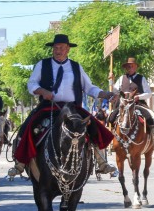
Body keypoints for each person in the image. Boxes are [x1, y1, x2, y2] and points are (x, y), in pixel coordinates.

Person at [13, 33, 116, 174]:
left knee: (94, 126)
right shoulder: (42, 65)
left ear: (68, 49)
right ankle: (20, 163)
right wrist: (42, 91)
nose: (58, 50)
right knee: (27, 126)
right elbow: (31, 83)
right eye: (55, 47)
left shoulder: (76, 67)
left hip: (71, 108)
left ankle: (101, 161)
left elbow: (89, 87)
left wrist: (105, 94)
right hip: (48, 106)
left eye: (61, 47)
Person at [109, 57, 154, 141]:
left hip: (138, 104)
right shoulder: (122, 78)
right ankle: (111, 138)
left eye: (132, 66)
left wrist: (138, 97)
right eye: (128, 66)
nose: (130, 68)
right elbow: (114, 90)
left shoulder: (141, 78)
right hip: (124, 104)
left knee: (151, 116)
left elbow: (149, 94)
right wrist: (111, 81)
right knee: (111, 117)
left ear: (136, 67)